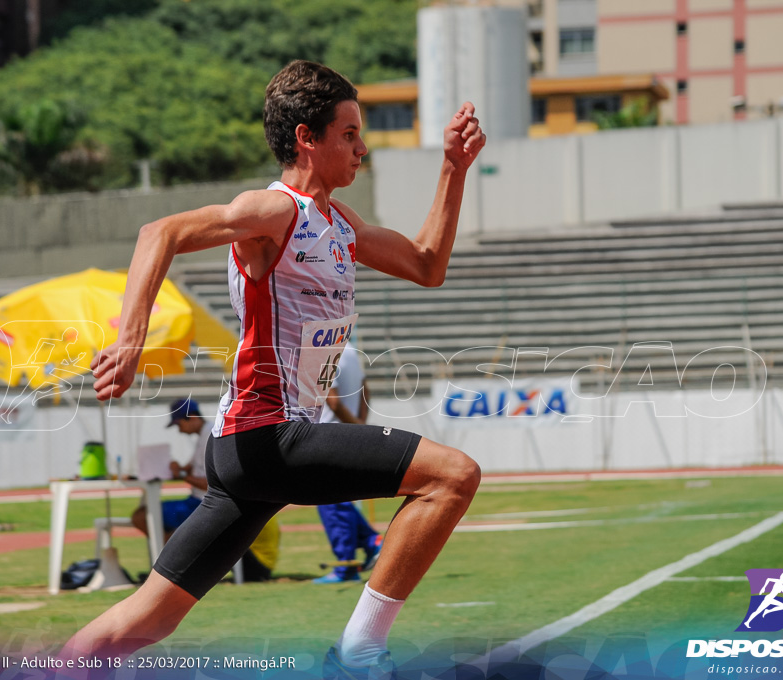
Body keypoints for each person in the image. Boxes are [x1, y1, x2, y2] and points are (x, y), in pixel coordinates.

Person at [62, 60, 485, 679]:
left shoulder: (341, 226)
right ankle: (360, 653)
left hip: (256, 449)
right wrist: (129, 343)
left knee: (147, 618)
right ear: (306, 139)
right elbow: (161, 232)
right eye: (349, 134)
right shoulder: (271, 212)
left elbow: (426, 265)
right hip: (267, 434)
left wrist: (453, 169)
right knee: (453, 476)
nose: (361, 149)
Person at [131, 398, 279, 582]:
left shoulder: (211, 435)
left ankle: (167, 569)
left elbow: (216, 483)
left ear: (192, 417)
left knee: (143, 517)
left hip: (205, 503)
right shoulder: (207, 434)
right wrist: (180, 469)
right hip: (204, 502)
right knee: (153, 521)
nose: (179, 430)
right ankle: (169, 565)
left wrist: (183, 476)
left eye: (179, 424)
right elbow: (196, 470)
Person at [315, 343, 384, 584]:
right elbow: (366, 388)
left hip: (331, 436)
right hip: (346, 435)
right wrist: (361, 424)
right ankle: (372, 541)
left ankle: (346, 566)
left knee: (330, 502)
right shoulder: (351, 350)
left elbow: (332, 402)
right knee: (337, 500)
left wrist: (355, 428)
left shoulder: (323, 351)